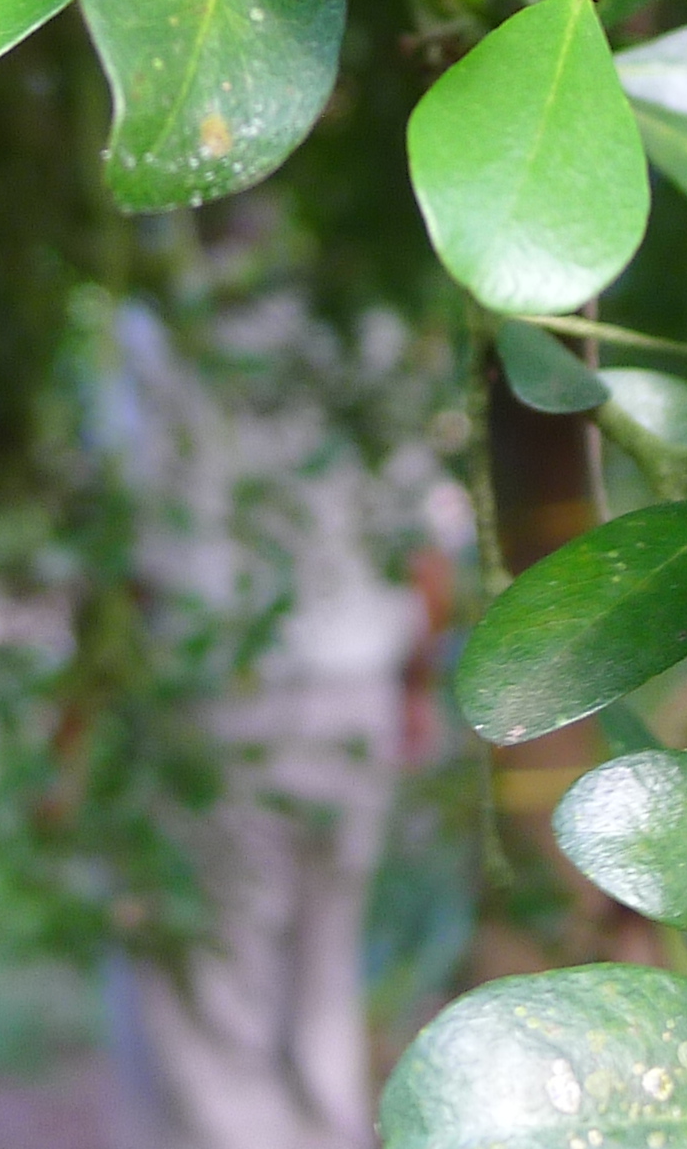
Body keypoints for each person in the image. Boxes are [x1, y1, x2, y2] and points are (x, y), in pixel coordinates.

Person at [97, 291, 458, 1149]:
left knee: (217, 1013)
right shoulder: (368, 324)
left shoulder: (156, 331)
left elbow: (123, 549)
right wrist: (409, 689)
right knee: (320, 985)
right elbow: (424, 547)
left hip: (220, 706)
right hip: (353, 699)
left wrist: (91, 729)